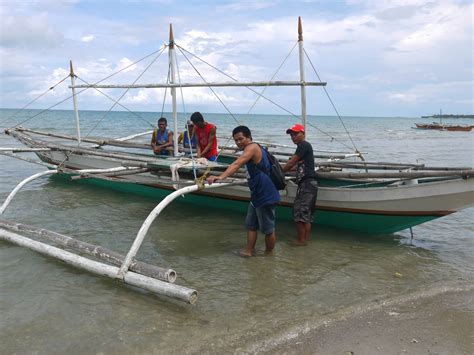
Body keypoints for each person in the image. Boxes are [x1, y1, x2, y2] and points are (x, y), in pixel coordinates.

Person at [207, 125, 280, 257]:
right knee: (251, 225)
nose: (238, 142)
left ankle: (269, 256)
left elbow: (237, 164)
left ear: (249, 137)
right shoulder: (251, 148)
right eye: (236, 140)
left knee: (268, 229)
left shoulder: (251, 147)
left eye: (241, 139)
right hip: (256, 195)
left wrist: (220, 177)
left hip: (265, 194)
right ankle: (249, 251)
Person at [282, 123, 318, 246]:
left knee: (299, 213)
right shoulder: (305, 147)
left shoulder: (303, 145)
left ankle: (301, 241)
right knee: (306, 215)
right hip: (310, 184)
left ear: (303, 134)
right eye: (291, 135)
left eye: (296, 134)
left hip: (306, 184)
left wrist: (277, 171)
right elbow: (297, 166)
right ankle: (305, 241)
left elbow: (291, 163)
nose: (293, 137)